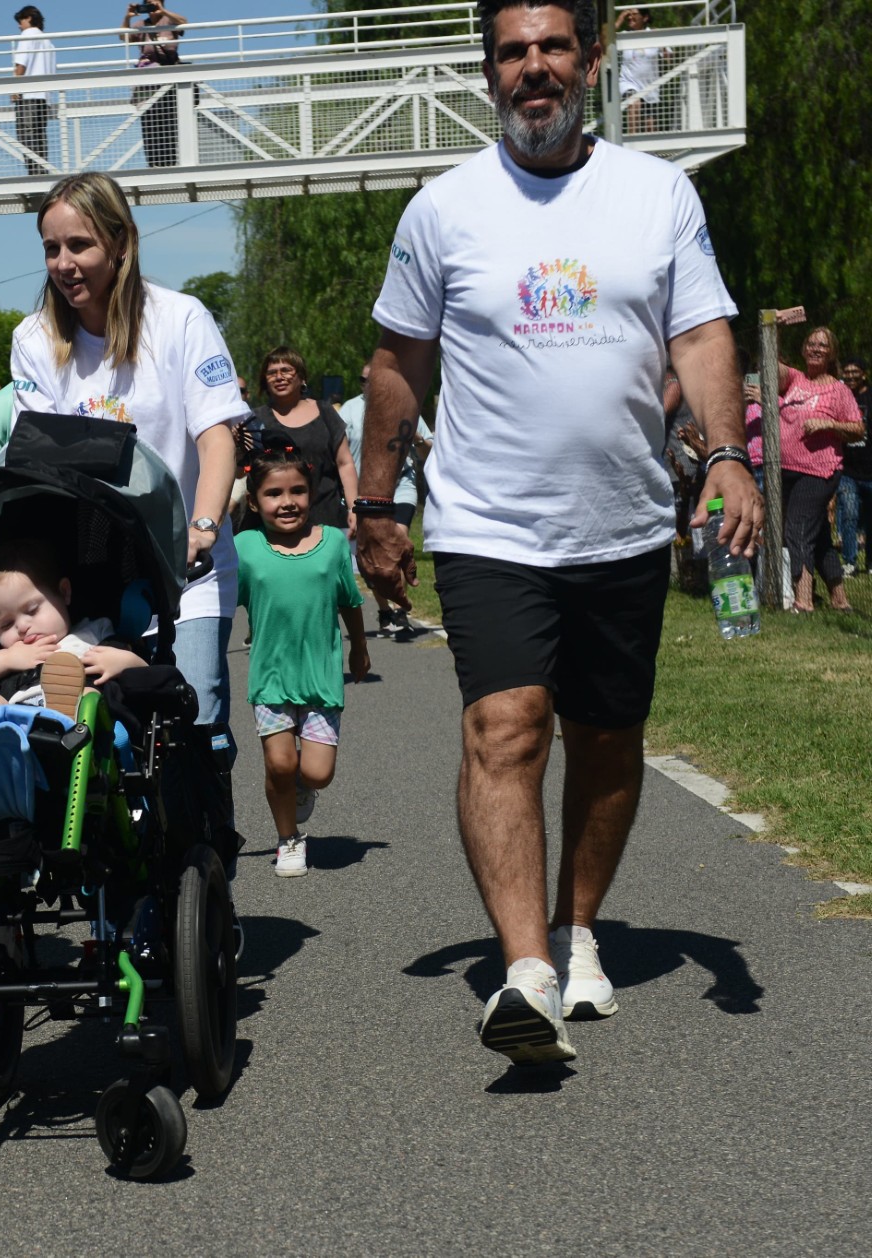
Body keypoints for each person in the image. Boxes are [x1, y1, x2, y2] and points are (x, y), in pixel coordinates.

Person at [355, 0, 759, 1067]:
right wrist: (377, 506)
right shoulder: (443, 210)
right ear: (488, 72)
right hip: (489, 523)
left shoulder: (656, 193)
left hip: (621, 519)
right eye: (510, 52)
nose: (532, 68)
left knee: (608, 739)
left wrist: (726, 455)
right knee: (506, 727)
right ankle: (525, 967)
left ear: (590, 61)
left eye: (551, 48)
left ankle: (581, 929)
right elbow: (398, 366)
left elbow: (703, 332)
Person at [8, 171, 245, 786]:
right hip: (92, 568)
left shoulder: (181, 319)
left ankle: (206, 831)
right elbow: (38, 463)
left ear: (121, 243)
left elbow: (216, 437)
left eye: (79, 245)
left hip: (183, 566)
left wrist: (202, 523)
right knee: (92, 722)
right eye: (50, 249)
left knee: (190, 717)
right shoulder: (34, 339)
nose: (63, 263)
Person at [235, 445, 370, 877]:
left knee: (316, 773)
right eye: (274, 494)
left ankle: (299, 788)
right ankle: (288, 838)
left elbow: (349, 600)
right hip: (271, 677)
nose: (288, 501)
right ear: (254, 502)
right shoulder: (244, 547)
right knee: (278, 762)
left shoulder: (331, 543)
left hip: (321, 675)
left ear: (312, 494)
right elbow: (223, 604)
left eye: (298, 491)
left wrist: (360, 646)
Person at [0, 539, 148, 712]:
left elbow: (146, 670)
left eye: (32, 610)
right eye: (6, 624)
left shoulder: (93, 633)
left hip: (82, 726)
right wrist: (7, 659)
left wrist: (123, 662)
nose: (21, 627)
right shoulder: (5, 654)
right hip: (15, 723)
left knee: (90, 696)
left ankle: (64, 711)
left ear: (63, 592)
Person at [773, 326, 862, 612]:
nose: (815, 348)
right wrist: (772, 329)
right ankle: (839, 599)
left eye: (822, 345)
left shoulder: (839, 390)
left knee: (797, 528)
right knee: (820, 536)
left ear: (831, 352)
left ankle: (804, 600)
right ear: (802, 349)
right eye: (810, 343)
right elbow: (770, 364)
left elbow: (858, 429)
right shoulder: (795, 380)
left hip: (819, 470)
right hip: (788, 470)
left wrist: (830, 424)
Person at [338, 359, 422, 634]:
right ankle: (385, 611)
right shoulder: (350, 410)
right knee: (371, 556)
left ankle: (400, 611)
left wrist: (418, 439)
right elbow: (338, 454)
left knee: (396, 542)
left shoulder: (405, 402)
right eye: (364, 380)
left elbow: (429, 449)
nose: (370, 385)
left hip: (402, 487)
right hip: (367, 493)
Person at [254, 346, 357, 535]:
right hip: (273, 526)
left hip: (327, 518)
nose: (279, 377)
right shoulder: (256, 419)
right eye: (272, 373)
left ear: (301, 377)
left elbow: (345, 463)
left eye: (286, 370)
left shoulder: (326, 412)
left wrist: (353, 508)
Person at [123, 5, 186, 169]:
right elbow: (124, 37)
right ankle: (154, 165)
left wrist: (162, 11)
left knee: (170, 123)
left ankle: (170, 164)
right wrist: (128, 17)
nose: (151, 7)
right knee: (150, 124)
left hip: (169, 79)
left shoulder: (169, 20)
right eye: (148, 4)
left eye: (155, 3)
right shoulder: (140, 25)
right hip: (148, 82)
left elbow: (184, 23)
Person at [10, 6, 57, 175]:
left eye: (20, 21)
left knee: (26, 135)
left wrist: (15, 88)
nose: (19, 26)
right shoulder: (48, 41)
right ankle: (42, 171)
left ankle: (34, 174)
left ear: (29, 18)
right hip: (44, 97)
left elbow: (21, 63)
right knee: (39, 134)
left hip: (28, 95)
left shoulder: (28, 34)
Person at [838, 358, 870, 575]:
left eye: (854, 372)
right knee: (849, 513)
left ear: (864, 374)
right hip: (847, 470)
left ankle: (870, 563)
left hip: (870, 469)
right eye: (846, 372)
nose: (850, 376)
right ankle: (849, 561)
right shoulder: (841, 397)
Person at [613, 7, 658, 135]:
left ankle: (650, 152)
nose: (630, 17)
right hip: (629, 82)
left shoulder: (654, 34)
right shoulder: (624, 35)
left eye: (634, 14)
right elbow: (605, 37)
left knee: (650, 127)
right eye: (628, 14)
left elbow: (670, 58)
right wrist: (620, 18)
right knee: (634, 103)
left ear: (645, 18)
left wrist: (666, 50)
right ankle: (632, 145)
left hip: (651, 86)